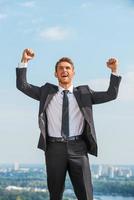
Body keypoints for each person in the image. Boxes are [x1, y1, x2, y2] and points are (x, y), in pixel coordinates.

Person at [16, 48, 121, 200]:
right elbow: (22, 85)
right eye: (60, 68)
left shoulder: (84, 93)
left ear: (73, 72)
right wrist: (24, 61)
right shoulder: (46, 92)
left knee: (86, 194)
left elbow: (111, 94)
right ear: (55, 74)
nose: (64, 70)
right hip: (53, 149)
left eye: (67, 68)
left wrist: (114, 71)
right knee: (55, 194)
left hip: (78, 148)